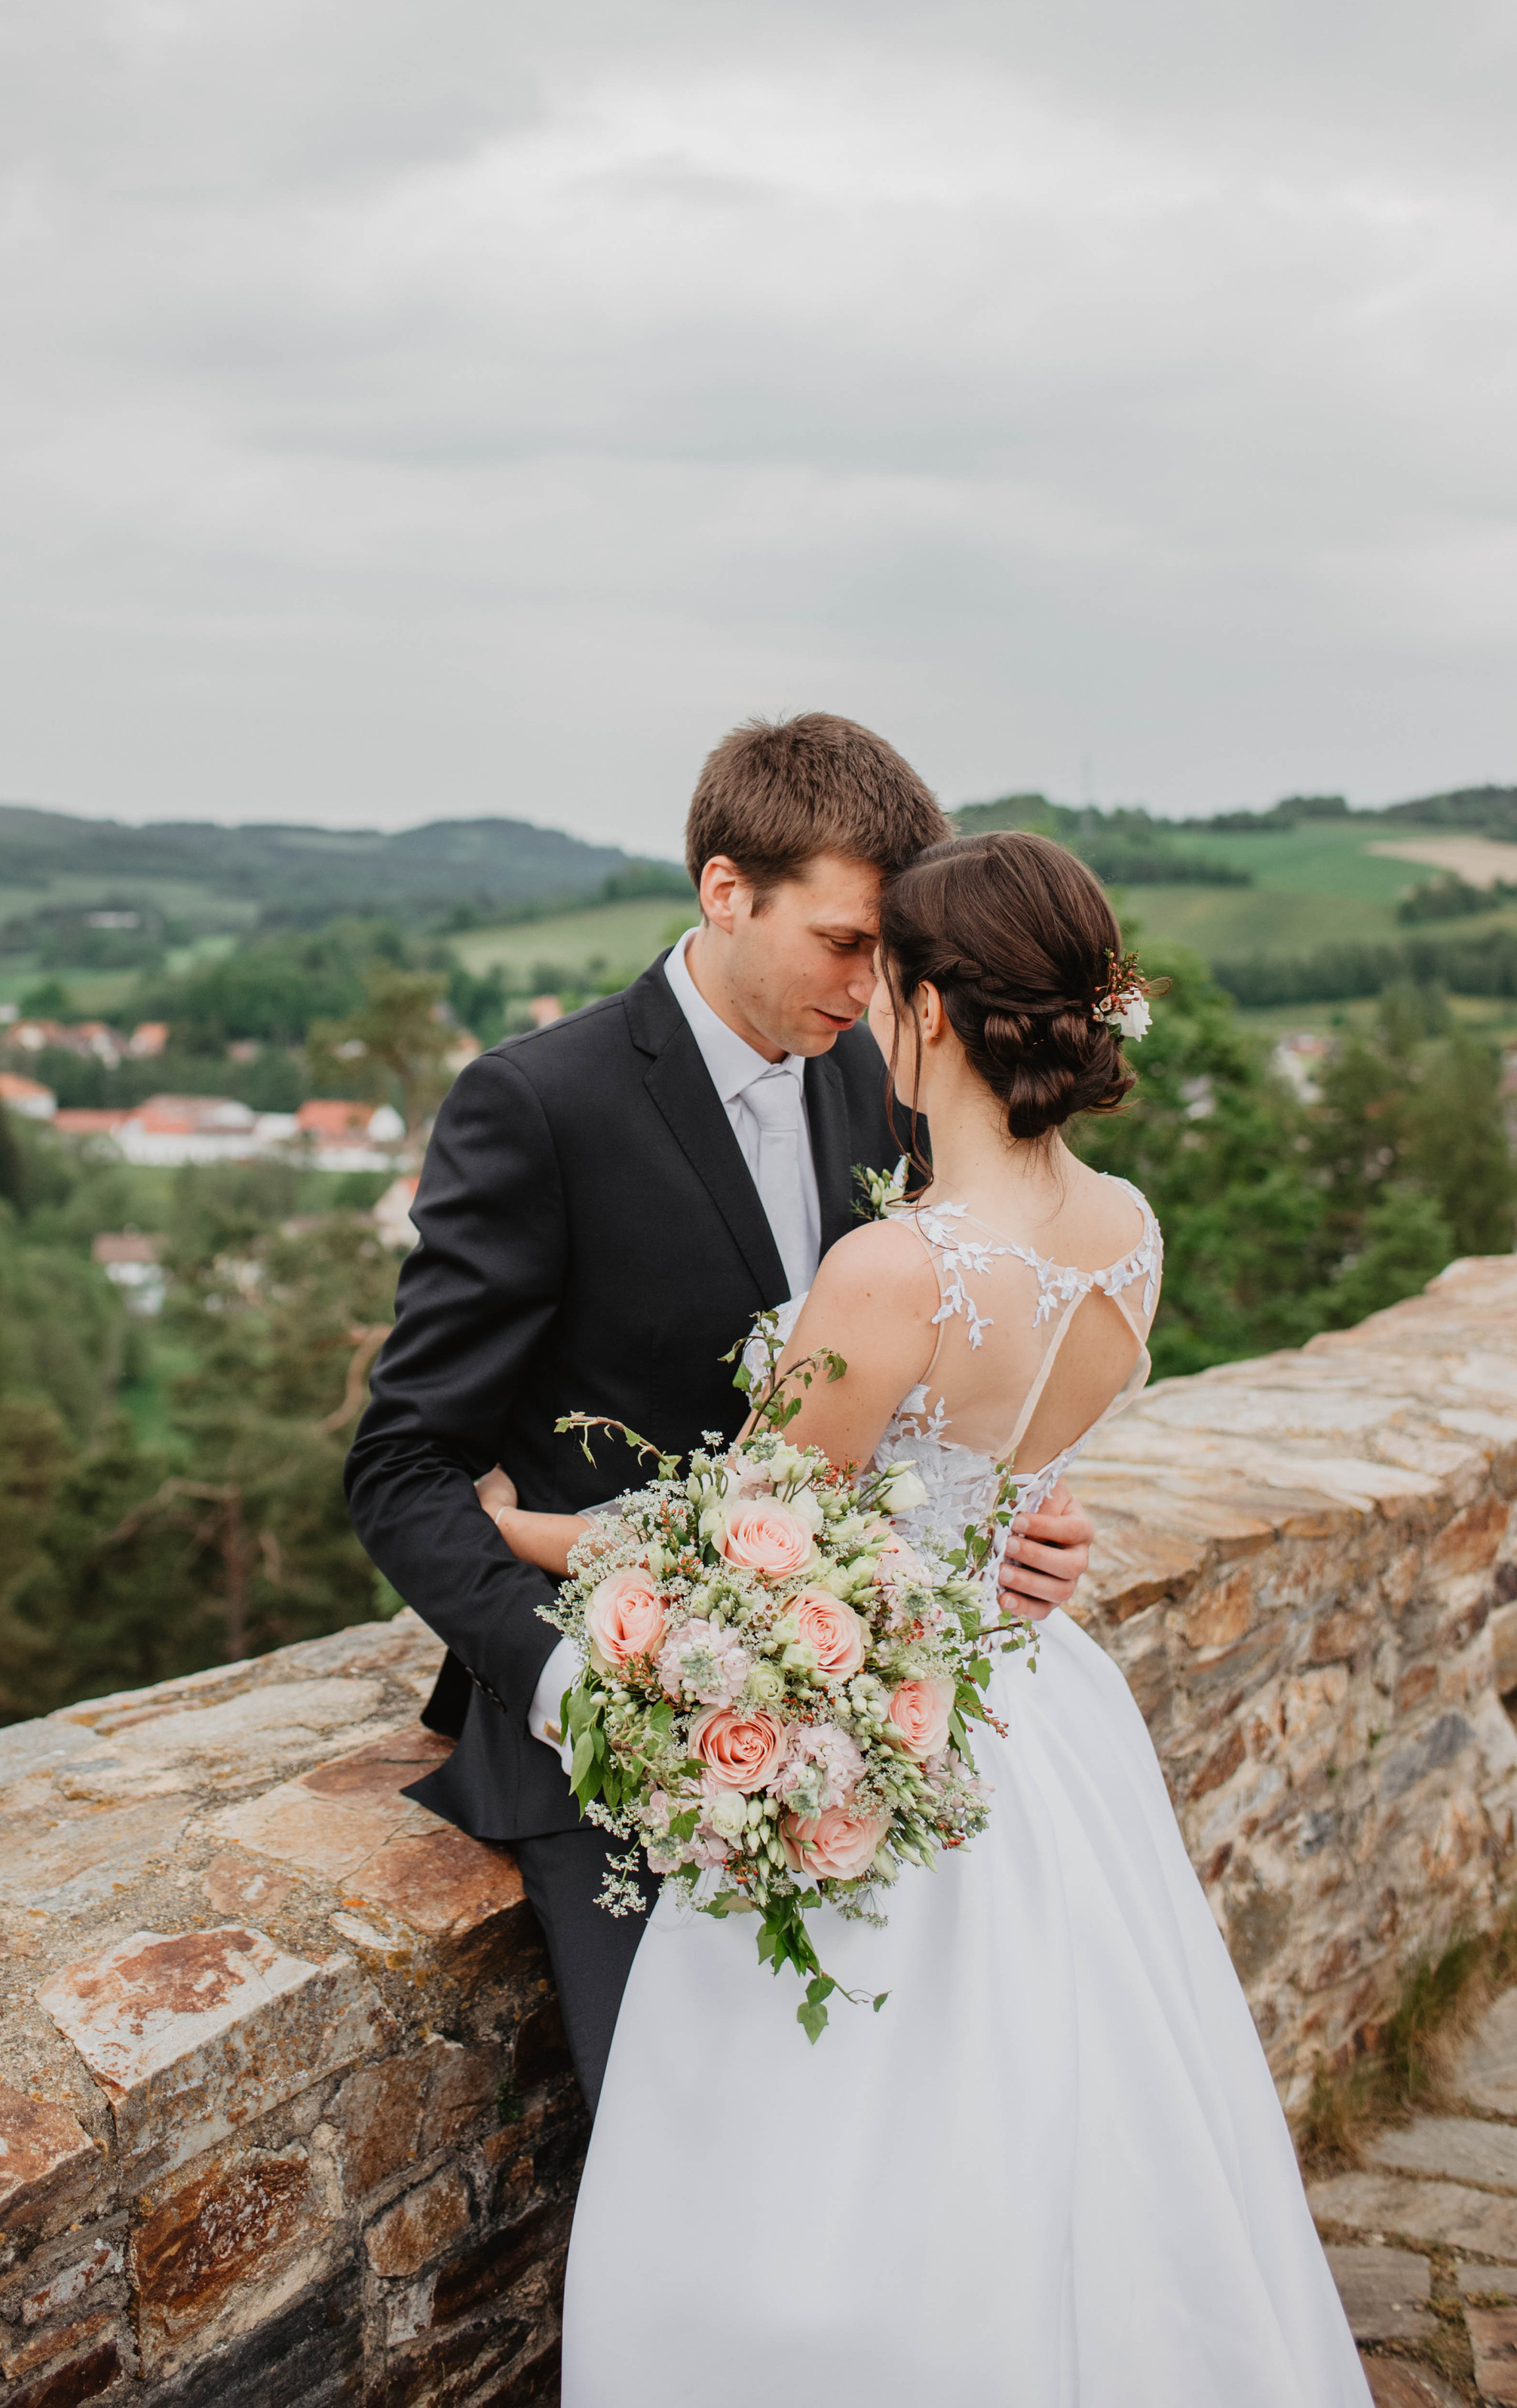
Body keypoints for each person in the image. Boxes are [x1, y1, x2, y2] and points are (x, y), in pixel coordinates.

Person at [504, 830, 1365, 2405]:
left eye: (884, 980)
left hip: (892, 1736)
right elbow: (998, 1481)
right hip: (1038, 1708)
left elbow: (747, 1543)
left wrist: (533, 1529)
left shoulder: (892, 1268)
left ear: (931, 1014)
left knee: (827, 2158)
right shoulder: (1126, 1234)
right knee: (1077, 2123)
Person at [345, 716, 1099, 2112]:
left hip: (863, 1712)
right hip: (607, 1726)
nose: (875, 982)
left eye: (892, 950)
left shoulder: (892, 1091)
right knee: (695, 2141)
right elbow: (400, 1464)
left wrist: (1004, 1522)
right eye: (843, 939)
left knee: (919, 2119)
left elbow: (912, 1397)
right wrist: (579, 1689)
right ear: (725, 890)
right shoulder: (538, 1104)